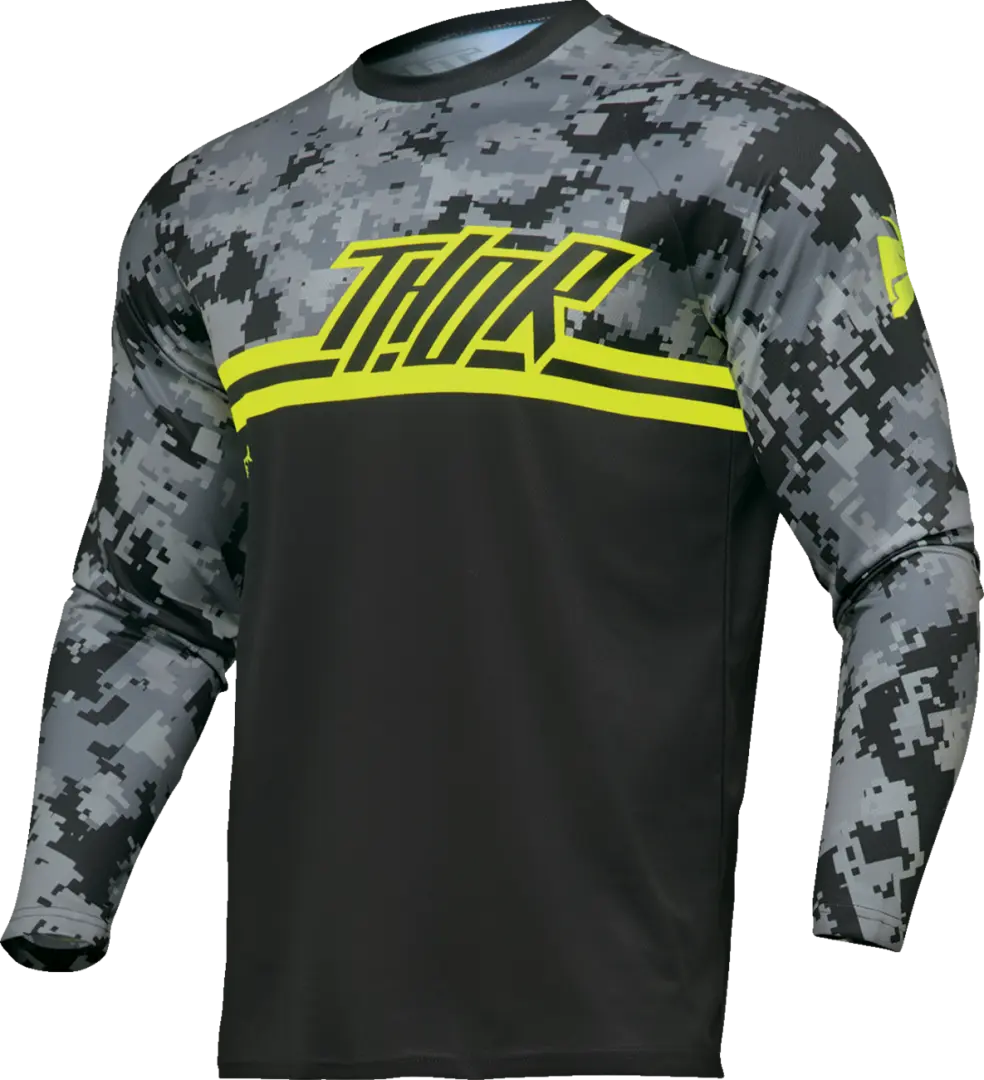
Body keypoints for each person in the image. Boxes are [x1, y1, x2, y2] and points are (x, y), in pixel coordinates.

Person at [3, 2, 977, 1079]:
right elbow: (148, 600)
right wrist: (60, 897)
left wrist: (863, 887)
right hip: (296, 1018)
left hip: (612, 1012)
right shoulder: (213, 200)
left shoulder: (748, 149)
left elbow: (907, 548)